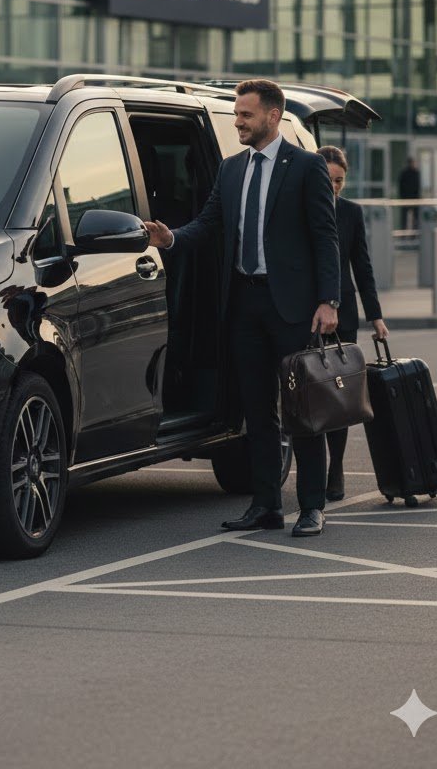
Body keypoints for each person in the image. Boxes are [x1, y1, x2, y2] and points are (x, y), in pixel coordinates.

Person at [144, 79, 340, 538]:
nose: (238, 122)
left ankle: (311, 506)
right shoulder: (231, 169)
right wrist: (170, 239)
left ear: (273, 115)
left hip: (292, 306)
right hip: (244, 303)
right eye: (236, 114)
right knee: (256, 409)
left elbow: (325, 236)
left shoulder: (307, 166)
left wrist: (328, 301)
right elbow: (208, 224)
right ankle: (266, 504)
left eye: (246, 115)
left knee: (302, 410)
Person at [317, 145, 389, 501]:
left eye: (339, 181)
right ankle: (314, 468)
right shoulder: (299, 208)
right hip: (304, 314)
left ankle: (336, 467)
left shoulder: (351, 212)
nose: (334, 187)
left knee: (340, 395)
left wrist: (375, 315)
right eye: (328, 180)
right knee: (311, 394)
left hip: (343, 315)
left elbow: (362, 265)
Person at [398, 156, 421, 230]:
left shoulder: (415, 173)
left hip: (414, 199)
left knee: (415, 218)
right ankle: (404, 233)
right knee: (404, 219)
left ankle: (414, 233)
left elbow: (417, 186)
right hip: (406, 198)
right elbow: (401, 186)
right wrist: (402, 197)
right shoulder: (404, 173)